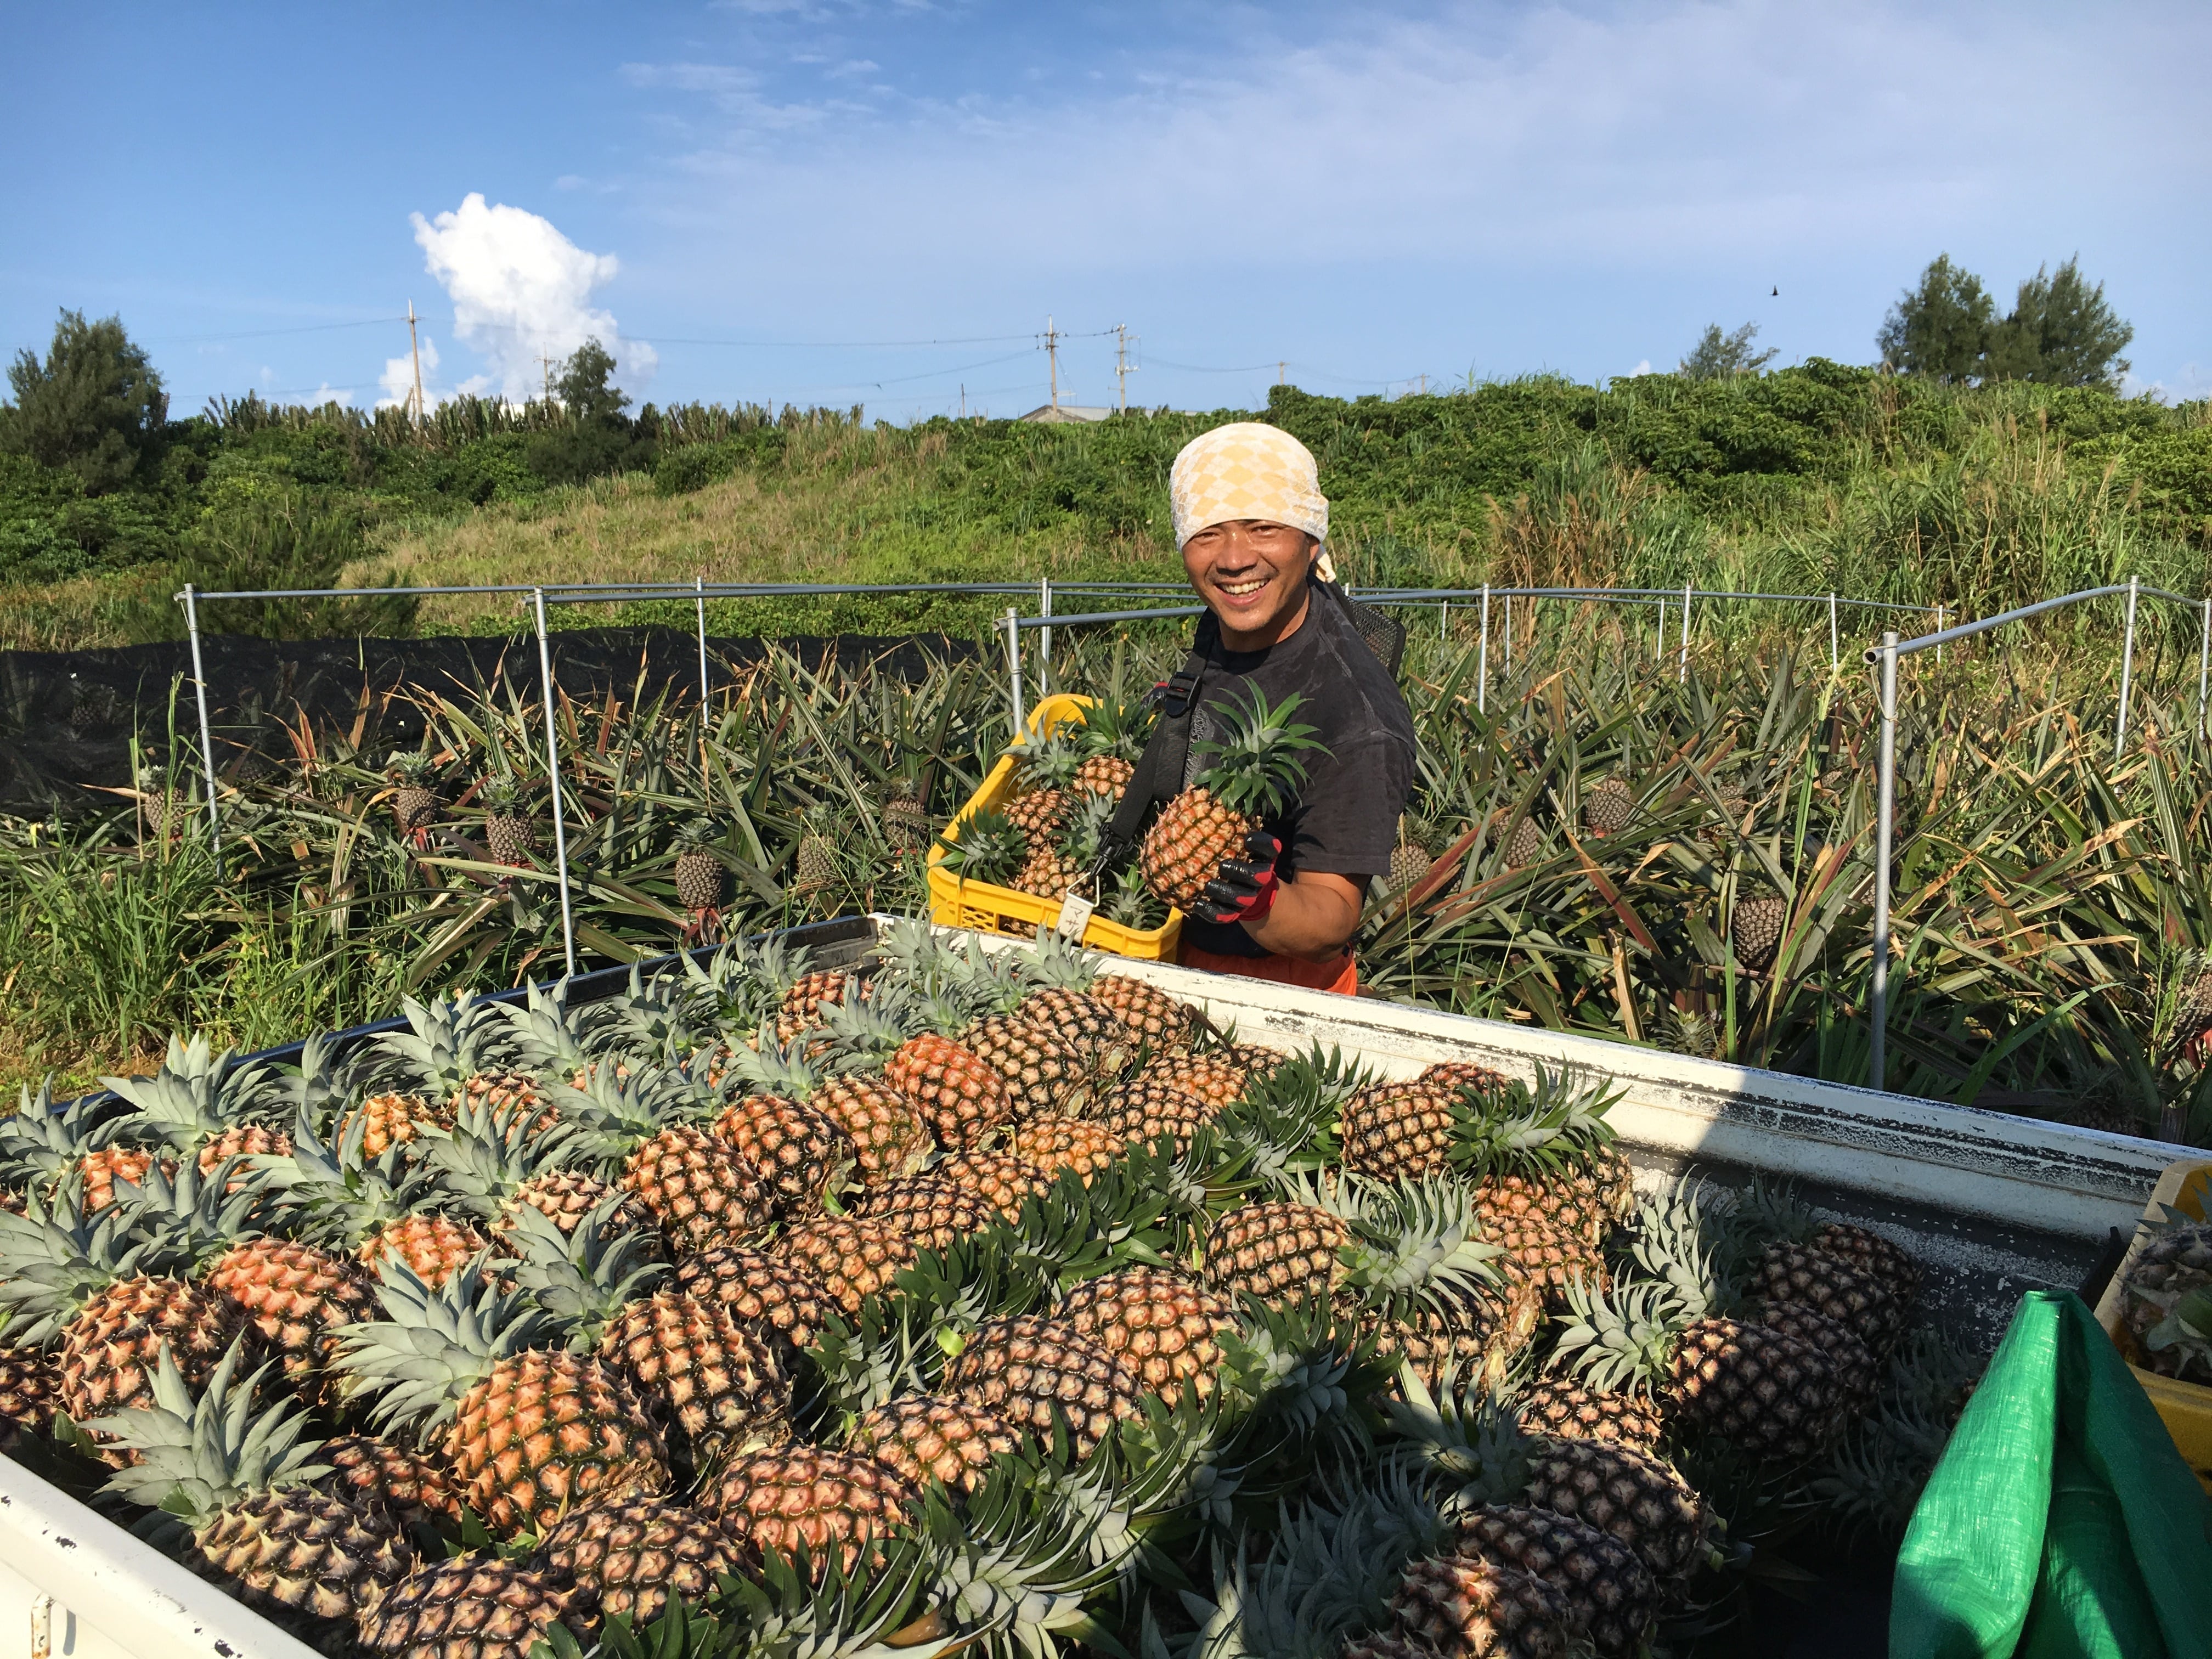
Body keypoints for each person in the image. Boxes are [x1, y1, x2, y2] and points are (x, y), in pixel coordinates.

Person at [1152, 421, 1414, 995]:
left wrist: (1258, 896)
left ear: (1311, 539)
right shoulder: (1234, 619)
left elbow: (1330, 921)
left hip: (1281, 986)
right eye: (1207, 533)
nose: (1234, 558)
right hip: (1166, 948)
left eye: (1263, 527)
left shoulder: (1358, 717)